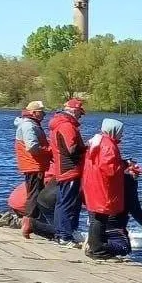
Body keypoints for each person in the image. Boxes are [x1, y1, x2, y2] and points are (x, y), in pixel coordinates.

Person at [80, 118, 127, 259]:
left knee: (96, 216)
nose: (121, 135)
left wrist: (122, 163)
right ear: (114, 131)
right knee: (100, 217)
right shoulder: (108, 145)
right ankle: (97, 248)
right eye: (120, 132)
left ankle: (94, 246)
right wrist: (124, 166)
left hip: (93, 183)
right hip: (103, 186)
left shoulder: (97, 141)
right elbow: (109, 169)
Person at [48, 98, 86, 245]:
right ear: (74, 111)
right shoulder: (67, 126)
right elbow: (72, 149)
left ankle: (60, 233)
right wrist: (87, 147)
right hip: (69, 168)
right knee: (67, 203)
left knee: (62, 202)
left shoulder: (59, 123)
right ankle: (65, 235)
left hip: (62, 168)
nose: (80, 116)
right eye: (80, 113)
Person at [14, 100, 52, 239]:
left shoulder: (29, 124)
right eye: (42, 112)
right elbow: (32, 147)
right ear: (34, 113)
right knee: (35, 195)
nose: (44, 115)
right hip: (33, 165)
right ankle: (28, 224)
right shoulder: (29, 126)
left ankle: (31, 223)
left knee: (34, 193)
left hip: (33, 165)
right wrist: (50, 151)